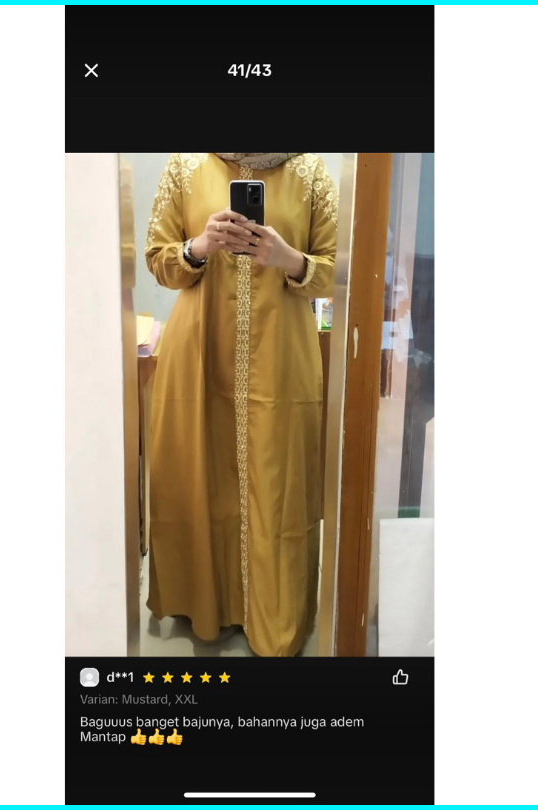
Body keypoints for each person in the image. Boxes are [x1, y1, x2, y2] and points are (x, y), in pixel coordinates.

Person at [145, 153, 337, 657]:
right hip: (200, 352)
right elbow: (158, 260)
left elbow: (339, 270)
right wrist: (199, 247)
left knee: (278, 482)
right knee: (201, 474)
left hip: (281, 355)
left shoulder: (310, 172)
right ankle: (208, 603)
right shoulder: (185, 165)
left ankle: (274, 614)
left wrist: (289, 258)